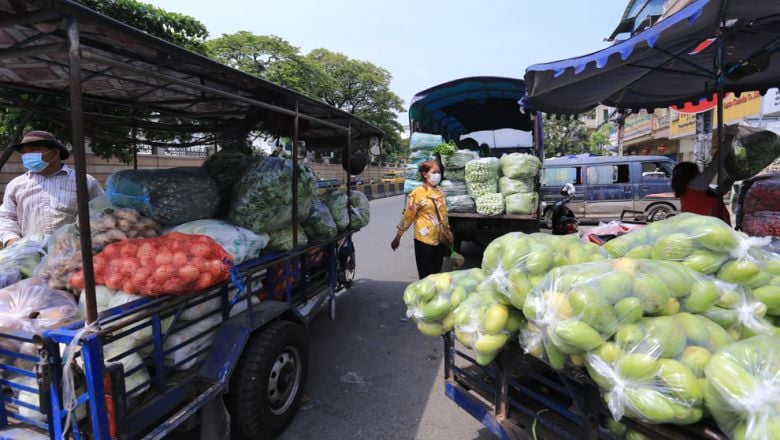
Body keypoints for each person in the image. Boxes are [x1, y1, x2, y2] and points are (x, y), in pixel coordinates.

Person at [0, 130, 105, 247]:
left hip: (74, 252)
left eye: (34, 150)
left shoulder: (84, 181)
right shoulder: (15, 185)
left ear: (55, 153)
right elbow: (6, 217)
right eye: (24, 153)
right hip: (30, 253)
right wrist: (12, 240)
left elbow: (103, 213)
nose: (27, 156)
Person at [391, 160, 450, 279]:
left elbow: (444, 216)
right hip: (423, 241)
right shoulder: (417, 193)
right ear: (425, 174)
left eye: (439, 172)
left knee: (436, 275)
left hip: (440, 240)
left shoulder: (441, 193)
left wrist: (448, 234)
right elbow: (408, 216)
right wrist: (398, 236)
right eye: (434, 172)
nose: (437, 175)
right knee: (425, 277)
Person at [671, 158, 733, 225]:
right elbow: (714, 165)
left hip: (704, 225)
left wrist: (731, 178)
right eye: (698, 172)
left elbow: (718, 192)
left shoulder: (687, 188)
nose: (700, 174)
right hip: (710, 226)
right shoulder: (695, 186)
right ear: (691, 175)